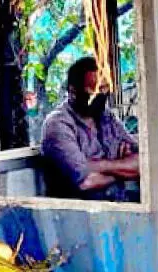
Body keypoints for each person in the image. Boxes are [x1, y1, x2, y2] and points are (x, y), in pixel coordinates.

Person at [41, 57, 140, 202]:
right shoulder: (58, 125)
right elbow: (85, 183)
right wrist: (123, 167)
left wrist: (96, 165)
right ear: (73, 91)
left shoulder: (107, 117)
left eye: (103, 89)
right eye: (92, 90)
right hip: (78, 218)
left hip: (119, 210)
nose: (100, 95)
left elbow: (142, 163)